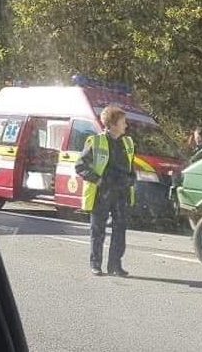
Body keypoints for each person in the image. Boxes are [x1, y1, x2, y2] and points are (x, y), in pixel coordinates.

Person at [75, 105, 136, 277]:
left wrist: (131, 180)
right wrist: (99, 180)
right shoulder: (95, 141)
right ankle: (96, 264)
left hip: (121, 193)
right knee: (98, 230)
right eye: (123, 122)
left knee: (120, 230)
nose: (126, 125)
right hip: (102, 193)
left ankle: (115, 266)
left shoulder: (128, 143)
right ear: (113, 124)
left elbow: (131, 167)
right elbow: (80, 166)